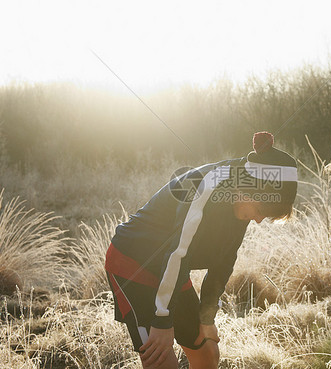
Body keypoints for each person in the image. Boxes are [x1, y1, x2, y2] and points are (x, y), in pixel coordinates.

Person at [104, 132, 298, 369]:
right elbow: (177, 253)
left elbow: (225, 260)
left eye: (264, 216)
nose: (257, 220)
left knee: (207, 349)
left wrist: (207, 318)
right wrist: (162, 321)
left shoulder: (243, 196)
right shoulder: (208, 187)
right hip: (132, 263)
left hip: (171, 269)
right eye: (259, 211)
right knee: (160, 357)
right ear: (248, 189)